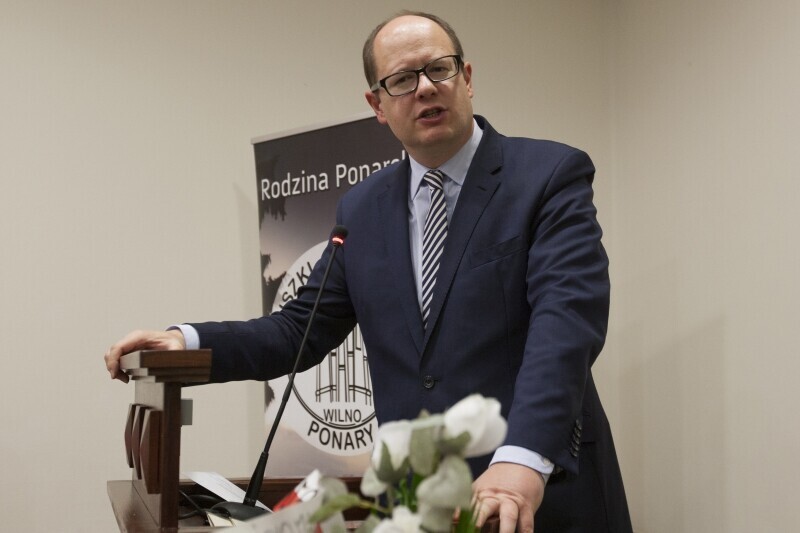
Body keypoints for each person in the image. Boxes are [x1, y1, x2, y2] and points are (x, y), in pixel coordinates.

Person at [105, 11, 632, 533]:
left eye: (439, 69)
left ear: (467, 78)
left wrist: (522, 456)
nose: (425, 88)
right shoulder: (361, 209)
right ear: (377, 105)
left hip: (542, 494)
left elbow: (565, 322)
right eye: (402, 79)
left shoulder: (548, 175)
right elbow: (296, 330)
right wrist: (186, 340)